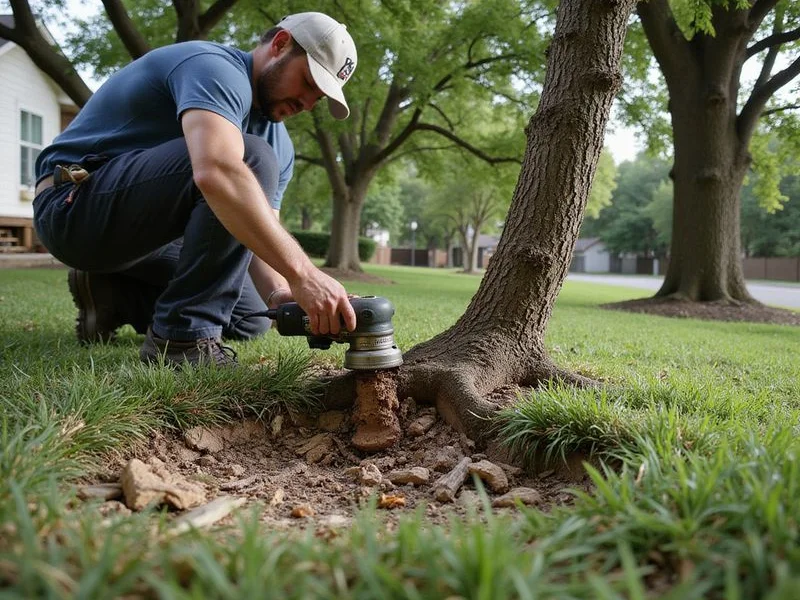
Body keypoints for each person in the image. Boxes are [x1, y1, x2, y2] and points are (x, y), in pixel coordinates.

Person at [32, 11, 358, 366]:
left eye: (319, 98)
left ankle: (113, 295)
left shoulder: (279, 144)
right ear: (280, 45)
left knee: (251, 317)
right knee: (246, 159)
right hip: (73, 207)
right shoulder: (214, 69)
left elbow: (259, 236)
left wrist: (285, 294)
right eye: (309, 83)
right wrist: (307, 274)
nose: (308, 105)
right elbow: (217, 171)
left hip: (142, 236)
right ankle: (182, 342)